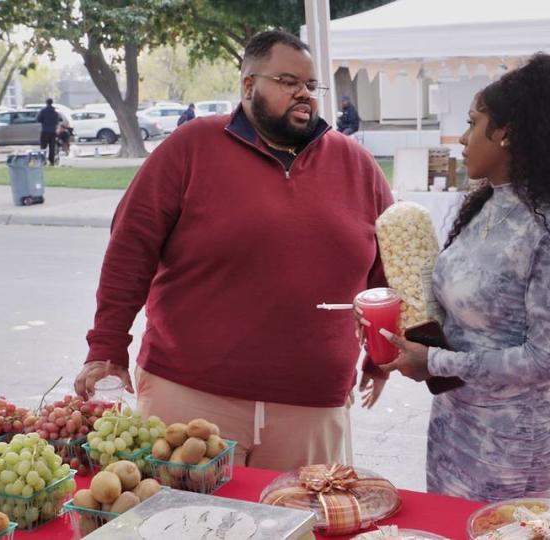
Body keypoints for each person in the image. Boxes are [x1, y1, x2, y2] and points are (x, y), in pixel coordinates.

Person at [73, 30, 393, 471]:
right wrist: (106, 350)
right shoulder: (190, 148)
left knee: (296, 525)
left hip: (312, 403)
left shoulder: (357, 165)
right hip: (189, 394)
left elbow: (385, 275)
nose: (304, 94)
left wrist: (381, 355)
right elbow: (130, 251)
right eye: (287, 81)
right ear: (248, 86)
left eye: (310, 85)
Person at [371, 54, 550, 502]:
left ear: (505, 132)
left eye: (472, 122)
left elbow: (546, 360)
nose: (462, 139)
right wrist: (388, 322)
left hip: (515, 436)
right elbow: (453, 310)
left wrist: (437, 362)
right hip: (455, 417)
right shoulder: (483, 207)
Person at [36, 98, 59, 165]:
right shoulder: (55, 112)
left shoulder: (43, 111)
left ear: (46, 103)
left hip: (45, 130)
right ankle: (51, 161)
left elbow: (38, 119)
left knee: (43, 146)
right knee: (52, 147)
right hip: (53, 131)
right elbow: (57, 121)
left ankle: (43, 160)